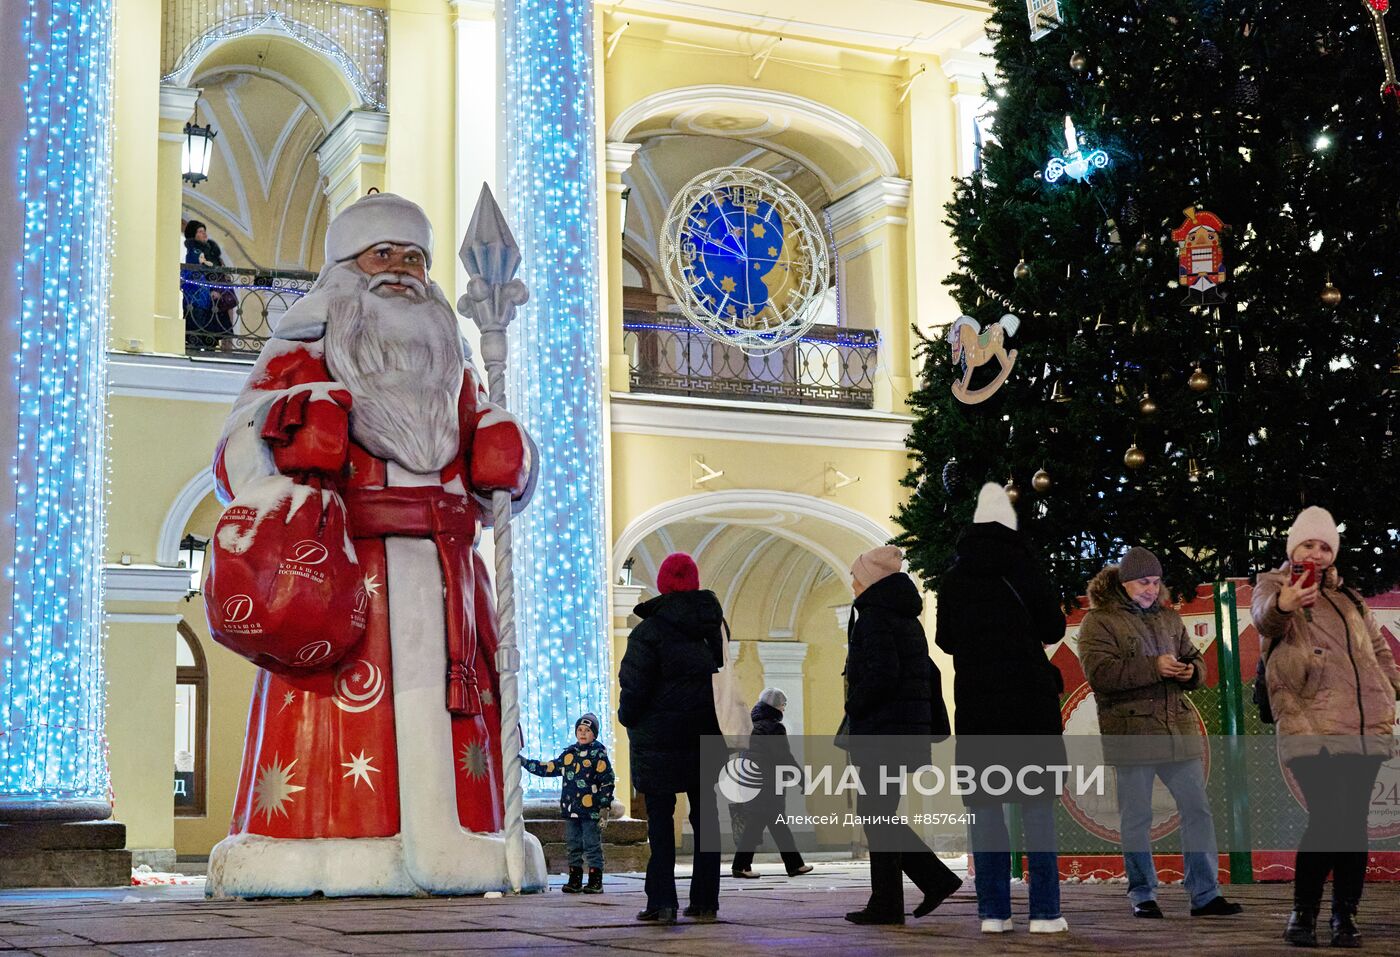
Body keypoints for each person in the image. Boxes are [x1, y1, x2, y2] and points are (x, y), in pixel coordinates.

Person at [205, 192, 546, 896]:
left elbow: (491, 470)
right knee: (337, 717)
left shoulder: (452, 364)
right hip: (349, 581)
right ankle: (320, 845)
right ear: (345, 270)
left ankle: (472, 835)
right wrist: (294, 422)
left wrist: (508, 455)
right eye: (382, 256)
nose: (402, 272)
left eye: (414, 258)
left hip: (450, 574)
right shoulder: (305, 353)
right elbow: (238, 444)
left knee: (456, 720)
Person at [1252, 506, 1400, 948]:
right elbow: (1265, 618)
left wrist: (1390, 684)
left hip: (1364, 726)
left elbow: (1377, 649)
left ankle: (1345, 916)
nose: (1316, 553)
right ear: (1292, 547)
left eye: (1324, 546)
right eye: (1308, 544)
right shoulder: (1274, 586)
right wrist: (1285, 603)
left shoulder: (1350, 599)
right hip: (1311, 724)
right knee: (1327, 818)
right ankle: (1304, 913)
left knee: (1353, 823)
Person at [1078, 546, 1242, 920]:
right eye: (1142, 582)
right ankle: (1141, 893)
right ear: (1123, 582)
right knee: (1137, 817)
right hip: (1132, 732)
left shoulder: (1168, 619)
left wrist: (1191, 672)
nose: (1151, 589)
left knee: (1197, 811)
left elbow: (1193, 657)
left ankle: (1205, 894)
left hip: (1176, 730)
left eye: (1155, 582)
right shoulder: (1098, 621)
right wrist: (1154, 666)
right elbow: (1100, 674)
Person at [935, 483, 1068, 934]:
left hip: (979, 709)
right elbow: (1053, 626)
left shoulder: (954, 577)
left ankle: (994, 913)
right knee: (1037, 811)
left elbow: (946, 640)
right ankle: (1046, 914)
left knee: (986, 812)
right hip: (1030, 706)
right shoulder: (1026, 568)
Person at [843, 544, 961, 926]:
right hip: (901, 730)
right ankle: (899, 896)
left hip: (881, 730)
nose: (853, 584)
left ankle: (918, 887)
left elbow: (882, 673)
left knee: (876, 813)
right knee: (880, 813)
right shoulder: (903, 615)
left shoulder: (875, 618)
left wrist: (854, 704)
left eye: (856, 577)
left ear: (871, 580)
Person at [618, 552, 725, 924]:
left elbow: (634, 685)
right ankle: (706, 901)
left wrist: (627, 717)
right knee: (706, 820)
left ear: (663, 584)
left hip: (658, 737)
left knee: (661, 821)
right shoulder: (713, 627)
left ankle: (662, 901)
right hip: (704, 735)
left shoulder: (648, 632)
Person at [522, 712, 615, 895]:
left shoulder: (598, 755)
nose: (583, 733)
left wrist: (605, 806)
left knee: (592, 845)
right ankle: (575, 879)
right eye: (580, 729)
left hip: (591, 811)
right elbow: (550, 768)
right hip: (571, 809)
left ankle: (596, 881)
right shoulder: (569, 755)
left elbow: (607, 781)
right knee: (573, 845)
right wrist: (526, 763)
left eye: (587, 730)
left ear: (594, 734)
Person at [730, 688, 814, 879]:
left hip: (749, 780)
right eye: (783, 706)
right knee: (761, 824)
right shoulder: (774, 727)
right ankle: (741, 866)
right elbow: (783, 756)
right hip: (768, 783)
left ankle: (794, 865)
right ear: (777, 706)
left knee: (775, 824)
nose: (784, 710)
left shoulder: (750, 724)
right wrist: (801, 779)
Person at [182, 220, 235, 348]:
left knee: (212, 330)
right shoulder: (195, 253)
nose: (204, 234)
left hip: (212, 298)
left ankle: (212, 346)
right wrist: (211, 289)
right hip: (199, 298)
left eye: (204, 231)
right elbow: (197, 273)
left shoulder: (210, 252)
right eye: (200, 232)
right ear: (193, 235)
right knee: (200, 329)